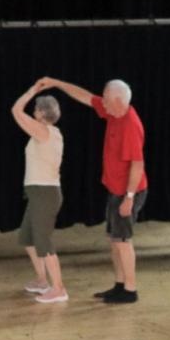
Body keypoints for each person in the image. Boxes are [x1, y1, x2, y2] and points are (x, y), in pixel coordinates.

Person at [41, 77, 145, 303]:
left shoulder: (130, 124)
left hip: (128, 192)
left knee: (123, 240)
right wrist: (57, 84)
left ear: (118, 101)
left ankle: (130, 290)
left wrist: (129, 198)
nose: (102, 104)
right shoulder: (113, 112)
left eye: (106, 100)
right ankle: (120, 285)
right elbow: (85, 96)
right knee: (115, 240)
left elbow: (137, 165)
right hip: (116, 190)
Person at [11, 81, 66, 304]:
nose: (33, 111)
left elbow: (16, 110)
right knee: (28, 238)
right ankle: (43, 280)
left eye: (36, 108)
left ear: (42, 113)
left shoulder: (44, 132)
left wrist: (31, 90)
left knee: (43, 241)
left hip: (45, 194)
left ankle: (59, 288)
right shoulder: (49, 132)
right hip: (38, 194)